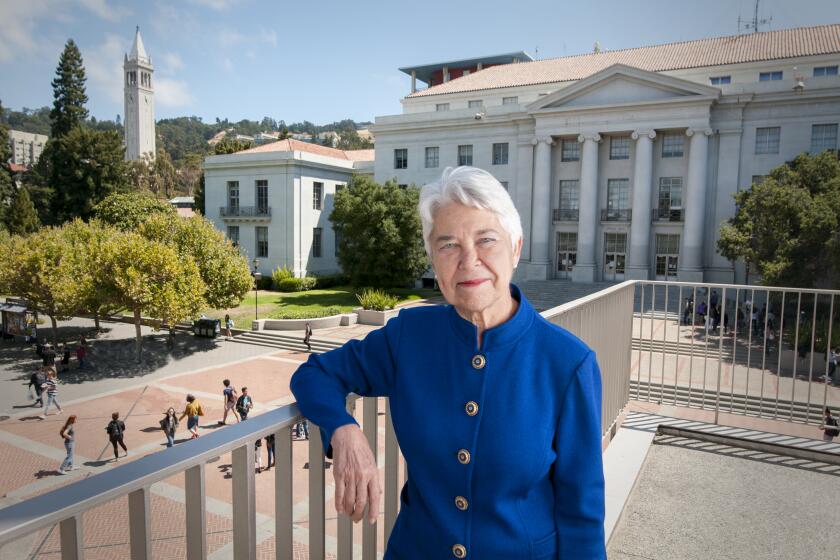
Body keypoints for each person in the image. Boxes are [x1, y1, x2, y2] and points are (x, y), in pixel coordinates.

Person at [290, 166, 606, 558]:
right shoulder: (409, 337)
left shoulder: (568, 363)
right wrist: (344, 431)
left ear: (517, 247)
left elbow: (582, 515)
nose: (468, 260)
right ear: (433, 260)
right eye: (448, 245)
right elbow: (315, 373)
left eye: (485, 240)